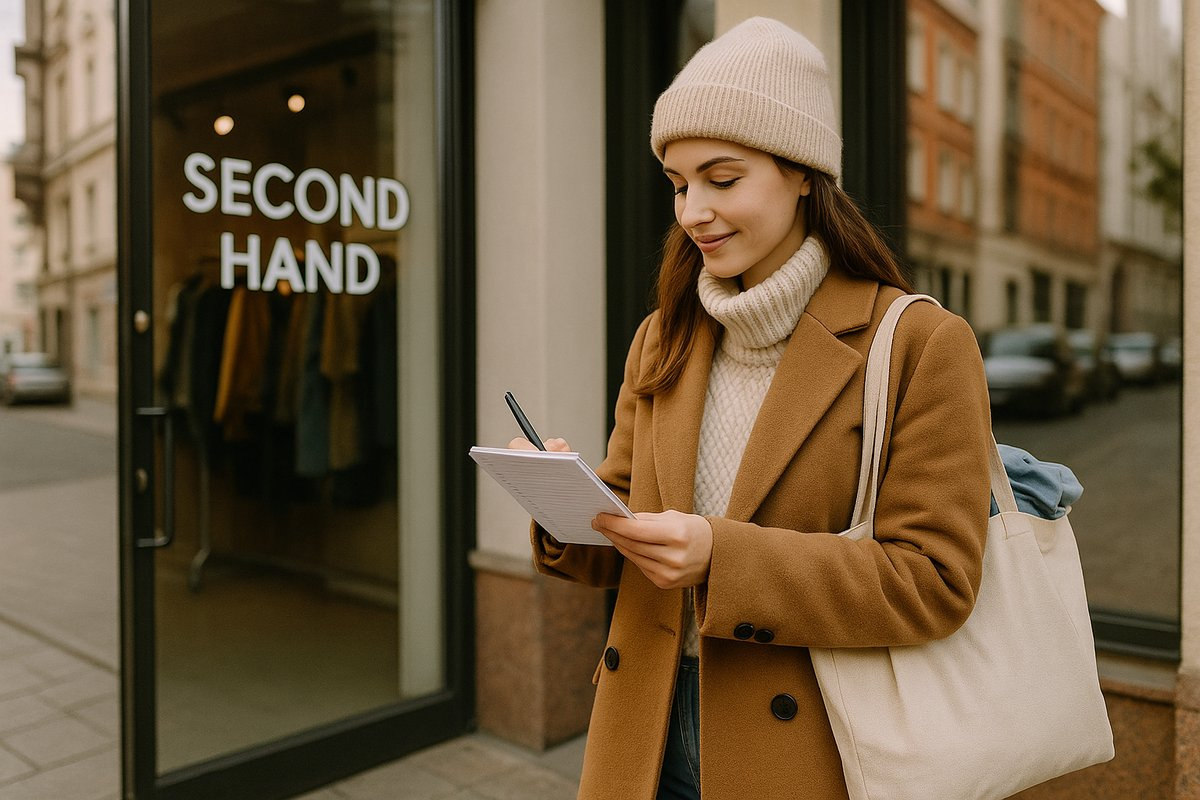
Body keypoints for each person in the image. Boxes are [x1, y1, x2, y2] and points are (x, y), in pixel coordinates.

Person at [508, 17, 992, 800]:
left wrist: (722, 559)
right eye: (677, 185)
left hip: (807, 752)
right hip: (645, 734)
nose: (692, 210)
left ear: (803, 174)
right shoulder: (662, 337)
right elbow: (627, 539)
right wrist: (563, 505)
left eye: (722, 179)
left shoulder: (918, 345)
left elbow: (934, 580)